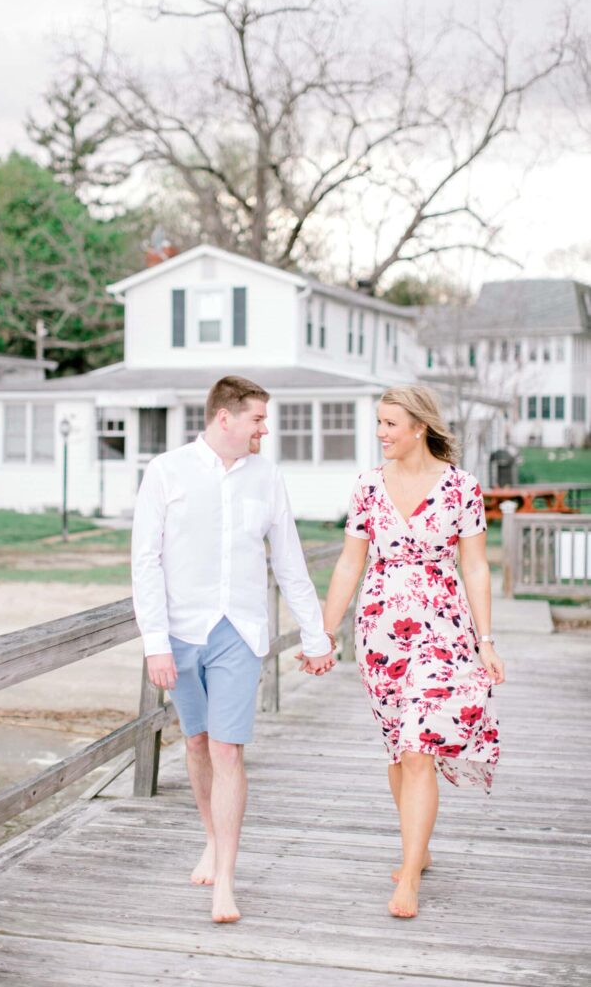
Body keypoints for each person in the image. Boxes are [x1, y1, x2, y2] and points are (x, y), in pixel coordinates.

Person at [131, 375, 335, 924]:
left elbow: (289, 561)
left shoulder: (267, 478)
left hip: (239, 633)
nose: (265, 430)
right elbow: (144, 562)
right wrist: (155, 644)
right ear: (226, 417)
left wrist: (315, 637)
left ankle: (226, 880)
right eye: (258, 420)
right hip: (179, 633)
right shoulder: (166, 472)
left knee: (227, 750)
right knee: (196, 744)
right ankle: (212, 839)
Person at [322, 385, 504, 919]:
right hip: (380, 634)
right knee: (400, 752)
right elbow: (349, 565)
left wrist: (486, 641)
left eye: (389, 424)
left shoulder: (460, 488)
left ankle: (409, 879)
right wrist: (325, 632)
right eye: (378, 423)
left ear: (419, 427)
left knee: (420, 747)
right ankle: (417, 850)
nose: (380, 433)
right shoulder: (367, 488)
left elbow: (474, 566)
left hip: (444, 629)